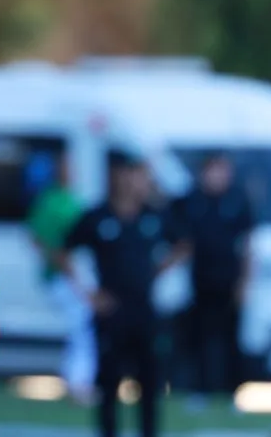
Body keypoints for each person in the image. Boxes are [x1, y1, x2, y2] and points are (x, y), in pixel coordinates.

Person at [57, 150, 178, 437]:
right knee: (109, 383)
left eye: (140, 175)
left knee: (149, 382)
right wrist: (89, 294)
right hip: (111, 310)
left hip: (144, 309)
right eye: (129, 174)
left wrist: (157, 271)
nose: (134, 181)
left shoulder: (153, 215)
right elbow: (62, 252)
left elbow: (183, 242)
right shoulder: (97, 216)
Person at [170, 151, 255, 405]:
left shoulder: (237, 200)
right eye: (213, 170)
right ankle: (200, 390)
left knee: (232, 339)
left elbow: (248, 245)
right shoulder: (192, 201)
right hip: (200, 282)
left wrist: (244, 282)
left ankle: (232, 392)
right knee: (199, 337)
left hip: (229, 281)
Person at [26, 152, 96, 404]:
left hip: (72, 274)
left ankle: (77, 378)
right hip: (61, 276)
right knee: (83, 325)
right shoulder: (50, 201)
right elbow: (41, 239)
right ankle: (78, 382)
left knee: (82, 326)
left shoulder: (72, 199)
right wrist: (66, 269)